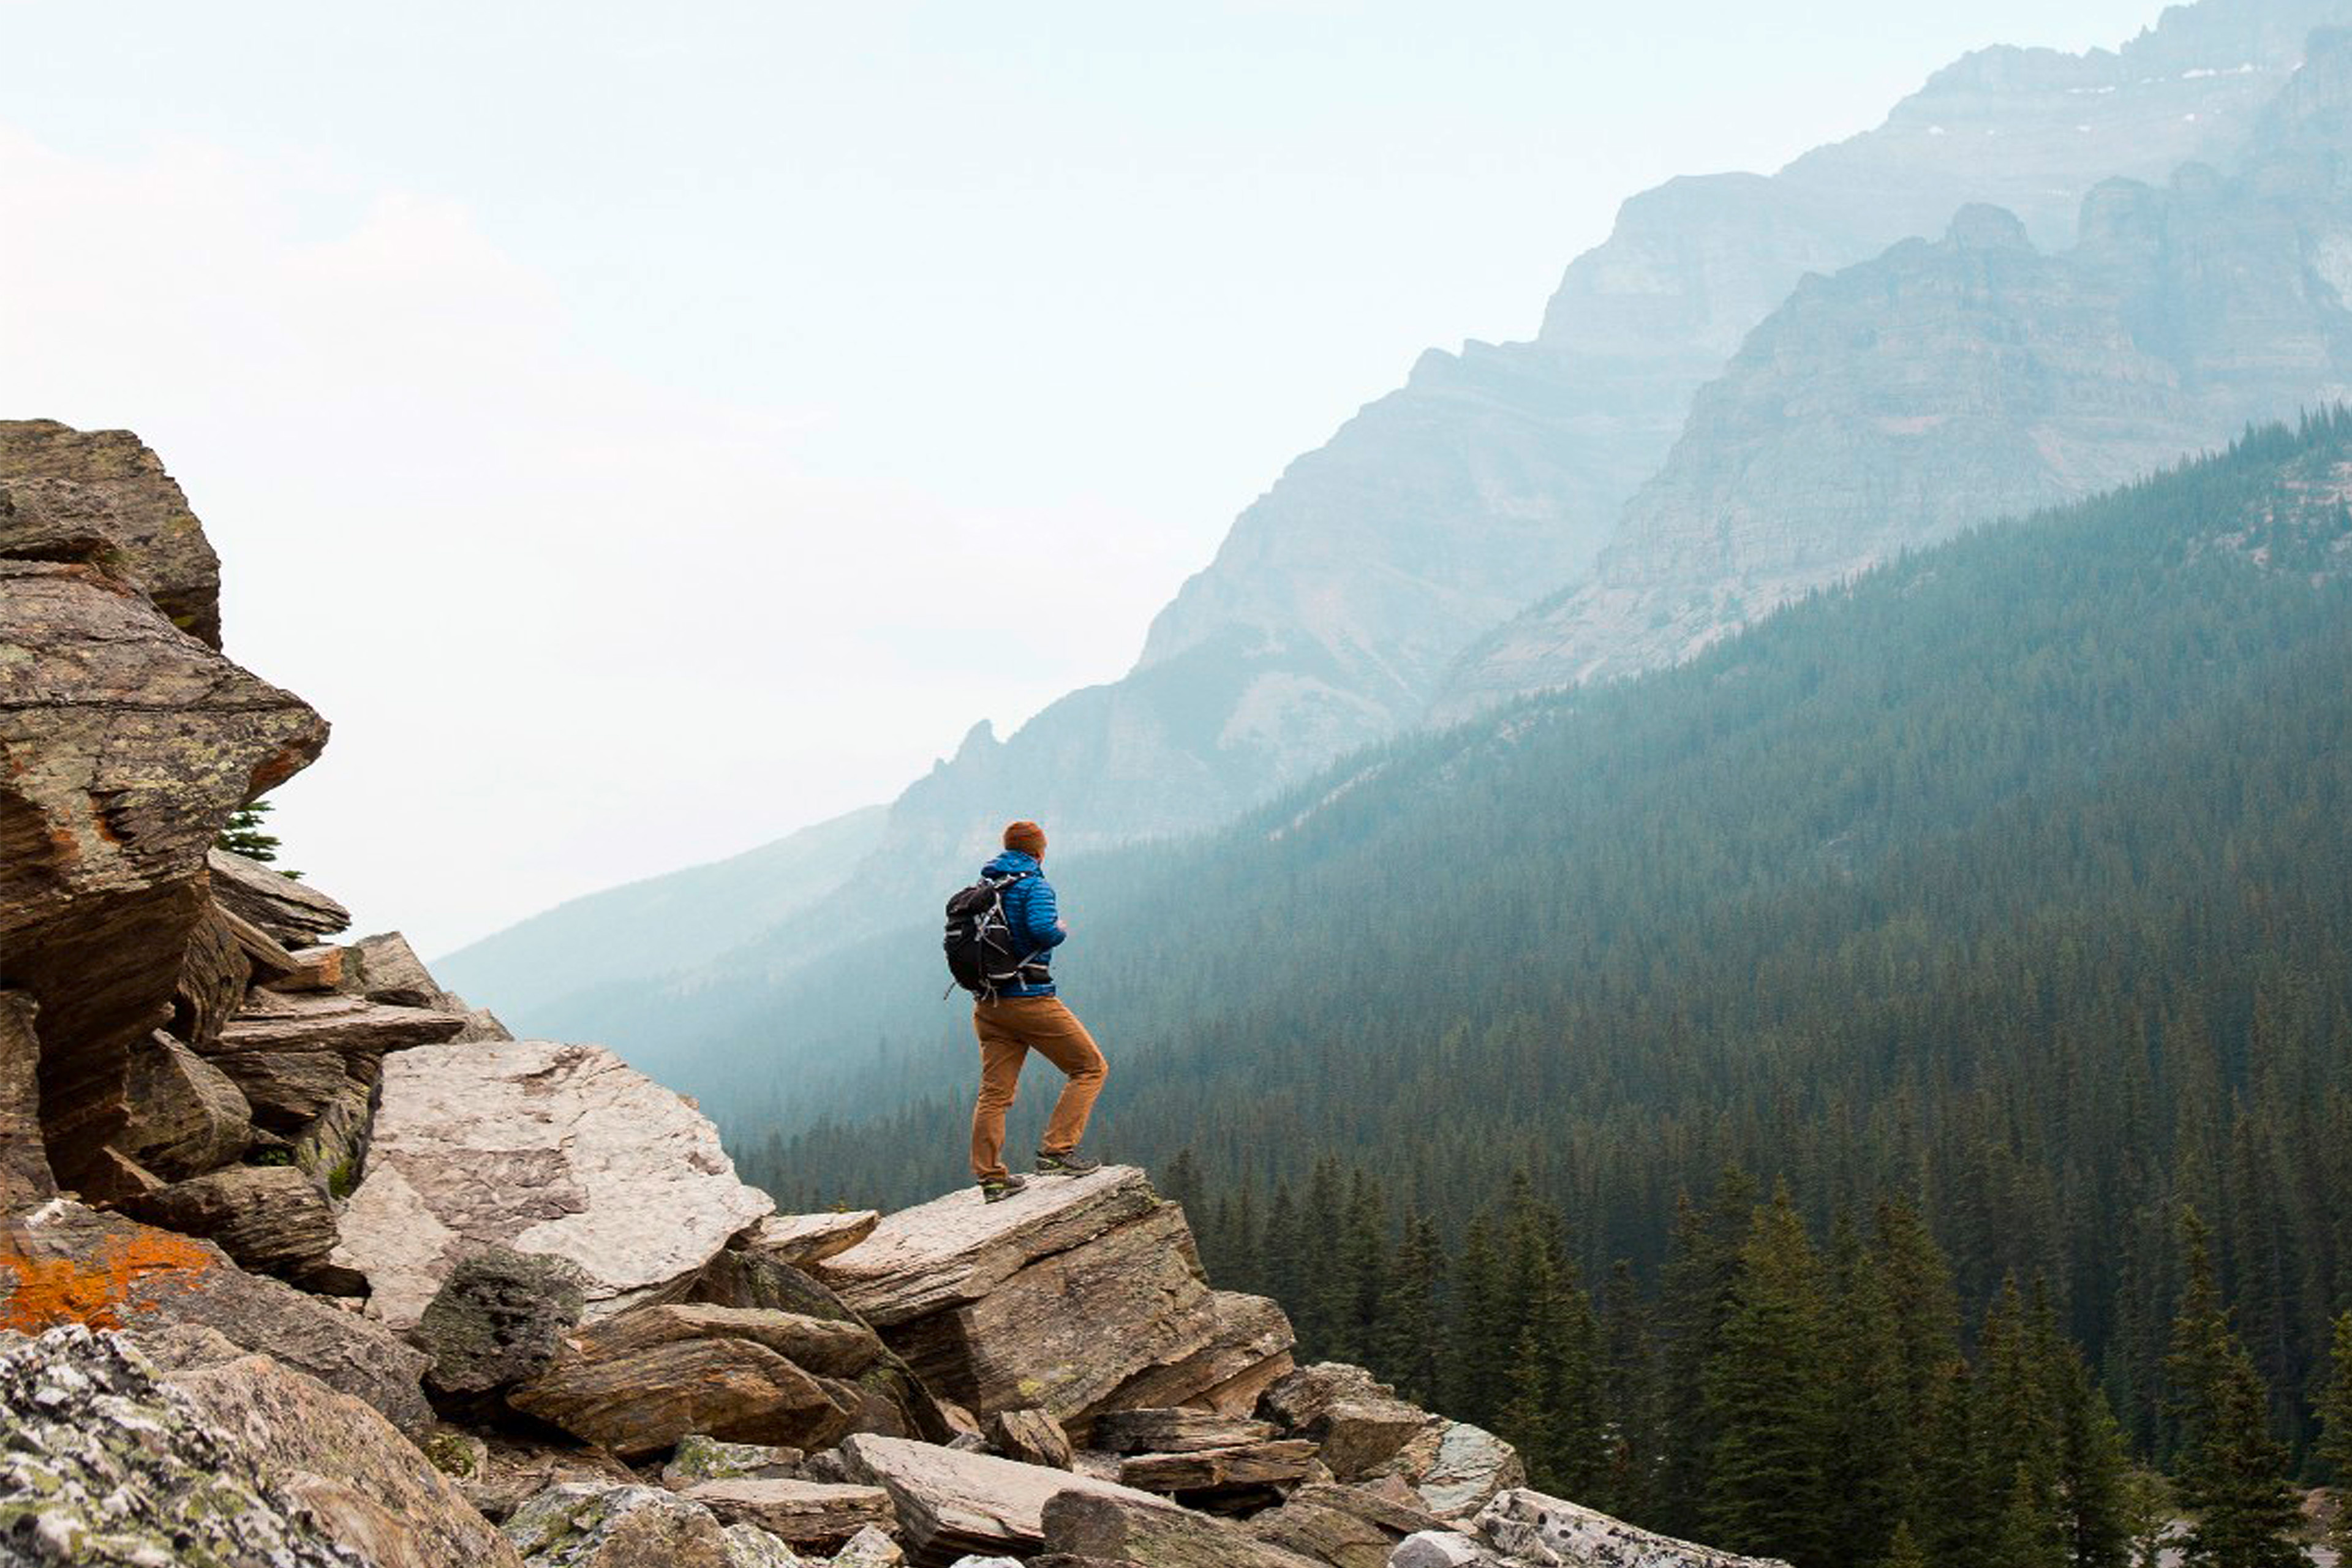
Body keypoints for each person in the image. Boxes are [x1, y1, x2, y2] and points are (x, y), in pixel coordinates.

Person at [969, 819, 1107, 1202]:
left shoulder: (985, 887)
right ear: (1039, 852)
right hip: (1029, 999)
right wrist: (1061, 928)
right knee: (1090, 1068)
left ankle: (992, 1179)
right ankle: (1058, 1152)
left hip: (988, 1005)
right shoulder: (1034, 884)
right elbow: (1043, 930)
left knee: (995, 1094)